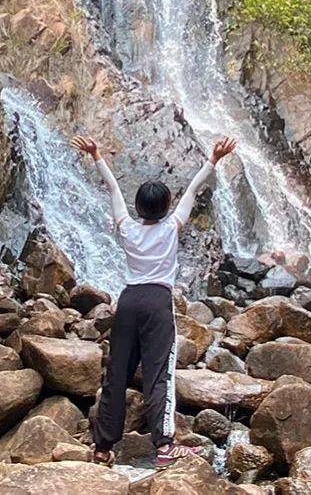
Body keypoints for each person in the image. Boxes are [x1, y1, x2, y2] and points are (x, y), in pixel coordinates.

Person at [70, 133, 237, 468]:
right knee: (159, 373)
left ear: (139, 207)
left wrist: (96, 155)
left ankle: (102, 447)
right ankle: (163, 446)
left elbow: (113, 190)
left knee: (117, 372)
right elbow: (192, 191)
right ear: (165, 208)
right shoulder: (171, 228)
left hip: (129, 300)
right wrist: (213, 160)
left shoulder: (128, 229)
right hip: (157, 302)